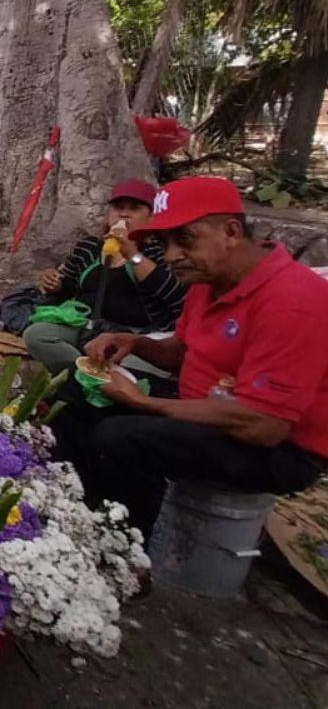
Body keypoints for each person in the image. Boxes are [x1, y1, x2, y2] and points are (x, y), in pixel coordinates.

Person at [53, 176, 328, 541]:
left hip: (279, 449)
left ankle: (127, 548)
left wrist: (143, 402)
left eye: (185, 240)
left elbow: (264, 425)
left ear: (230, 231)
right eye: (164, 243)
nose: (170, 256)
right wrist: (133, 343)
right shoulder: (206, 282)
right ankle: (72, 515)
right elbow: (181, 352)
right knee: (73, 398)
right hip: (206, 406)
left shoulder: (293, 301)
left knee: (122, 438)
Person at [24, 180, 186, 375]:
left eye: (134, 209)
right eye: (118, 208)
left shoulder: (158, 251)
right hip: (90, 327)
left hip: (137, 336)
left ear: (150, 217)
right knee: (37, 335)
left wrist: (132, 254)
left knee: (133, 370)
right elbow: (67, 286)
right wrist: (55, 285)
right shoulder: (89, 247)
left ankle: (103, 380)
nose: (124, 214)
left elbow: (175, 295)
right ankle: (83, 376)